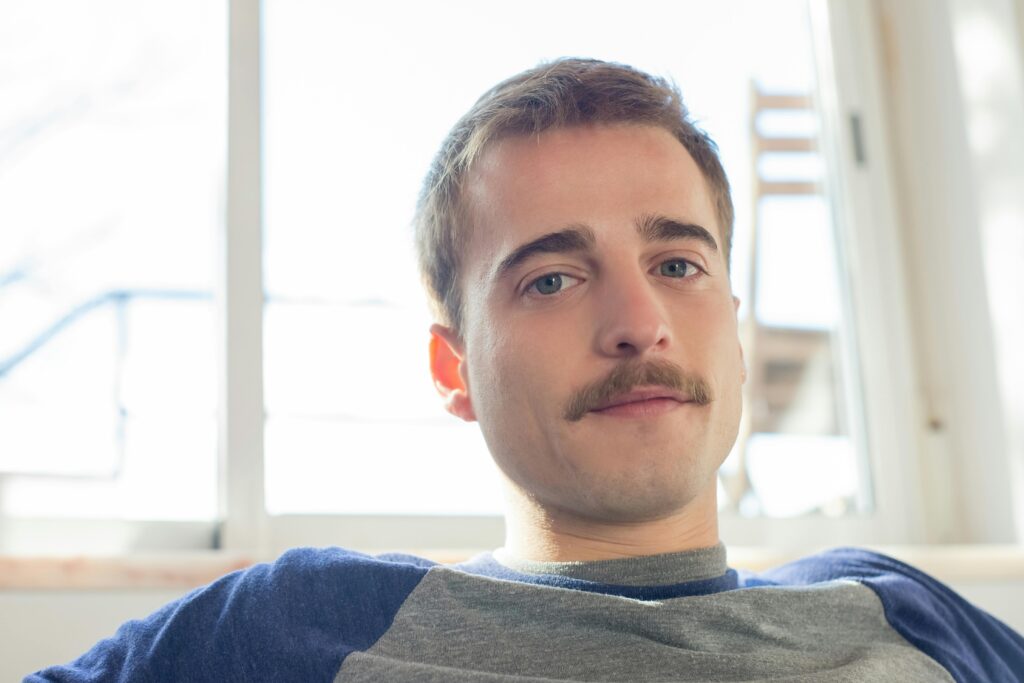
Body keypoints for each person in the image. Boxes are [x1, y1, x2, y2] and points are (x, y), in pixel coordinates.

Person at [27, 58, 1024, 683]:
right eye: (551, 279)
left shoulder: (907, 611)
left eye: (678, 264)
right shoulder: (301, 624)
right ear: (452, 366)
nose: (638, 323)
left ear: (736, 325)